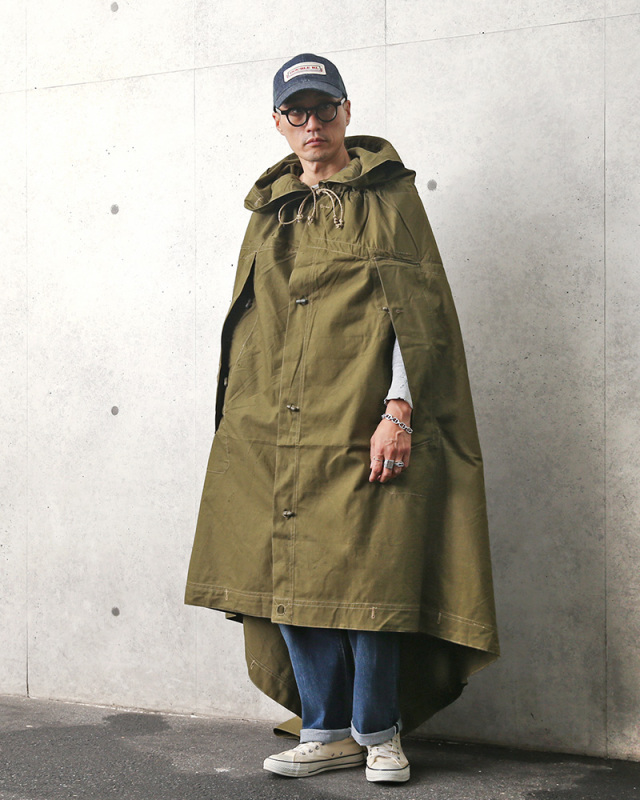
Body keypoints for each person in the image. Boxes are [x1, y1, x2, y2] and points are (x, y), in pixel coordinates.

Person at [185, 53, 499, 785]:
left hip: (361, 416)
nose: (313, 124)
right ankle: (325, 730)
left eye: (325, 109)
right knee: (287, 571)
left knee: (372, 575)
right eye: (297, 112)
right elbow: (250, 323)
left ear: (347, 112)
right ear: (278, 122)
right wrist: (239, 421)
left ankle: (378, 732)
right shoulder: (268, 211)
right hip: (272, 423)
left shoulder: (391, 199)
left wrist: (400, 409)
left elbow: (420, 319)